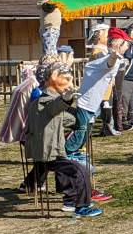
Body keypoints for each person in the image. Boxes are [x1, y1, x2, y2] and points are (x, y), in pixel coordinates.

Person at [22, 63, 101, 218]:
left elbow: (64, 118)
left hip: (54, 151)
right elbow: (53, 108)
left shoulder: (49, 101)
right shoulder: (42, 101)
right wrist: (66, 99)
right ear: (52, 78)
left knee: (69, 172)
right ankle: (82, 206)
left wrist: (82, 117)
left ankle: (71, 201)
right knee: (80, 170)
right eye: (65, 79)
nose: (69, 85)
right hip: (48, 153)